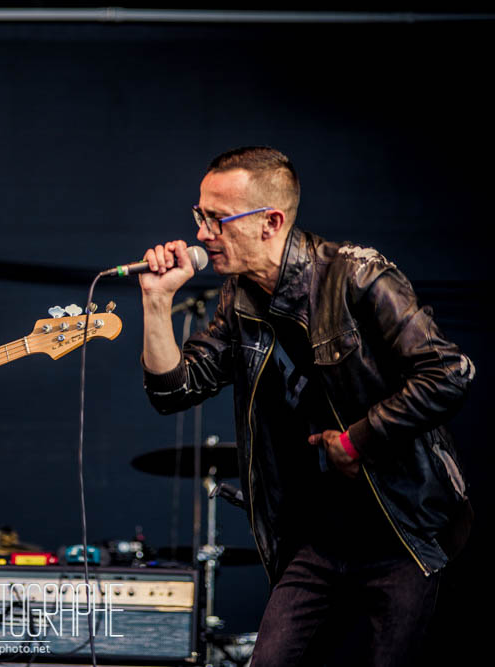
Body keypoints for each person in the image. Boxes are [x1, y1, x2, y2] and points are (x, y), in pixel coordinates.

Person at [139, 146, 474, 666]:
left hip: (402, 533)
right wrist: (157, 304)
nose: (202, 233)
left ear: (271, 221)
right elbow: (174, 392)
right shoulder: (239, 301)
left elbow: (449, 373)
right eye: (199, 216)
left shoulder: (355, 275)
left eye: (216, 219)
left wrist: (356, 439)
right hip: (315, 542)